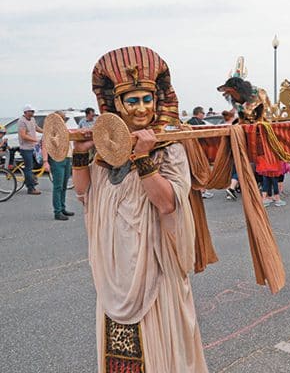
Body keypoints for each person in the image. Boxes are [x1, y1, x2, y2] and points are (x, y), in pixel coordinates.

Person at [72, 46, 208, 372]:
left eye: (147, 99)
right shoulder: (107, 150)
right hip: (115, 269)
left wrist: (144, 158)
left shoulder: (169, 147)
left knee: (160, 348)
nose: (141, 108)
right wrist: (79, 154)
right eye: (132, 101)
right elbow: (84, 194)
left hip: (155, 267)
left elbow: (167, 203)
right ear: (117, 105)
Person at [41, 111, 74, 221]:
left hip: (67, 157)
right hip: (56, 159)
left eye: (64, 118)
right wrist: (45, 161)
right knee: (58, 186)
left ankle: (62, 208)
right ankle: (57, 211)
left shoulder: (64, 128)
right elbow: (45, 145)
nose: (64, 120)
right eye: (62, 118)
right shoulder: (50, 130)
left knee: (63, 186)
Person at [18, 105, 43, 194]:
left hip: (33, 147)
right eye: (31, 111)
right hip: (25, 148)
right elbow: (23, 135)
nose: (33, 113)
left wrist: (45, 131)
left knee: (35, 165)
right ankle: (31, 188)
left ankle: (29, 179)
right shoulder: (22, 121)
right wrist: (36, 140)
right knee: (28, 168)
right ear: (26, 112)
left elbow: (36, 128)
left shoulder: (32, 119)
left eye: (33, 111)